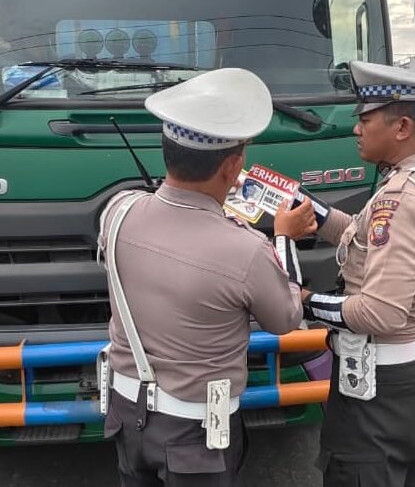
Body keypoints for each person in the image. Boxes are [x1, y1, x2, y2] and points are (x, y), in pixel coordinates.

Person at [96, 68, 317, 486]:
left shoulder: (118, 211)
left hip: (125, 411)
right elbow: (286, 319)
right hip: (195, 435)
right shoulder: (246, 249)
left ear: (167, 151)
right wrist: (284, 239)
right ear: (233, 167)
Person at [298, 60, 415, 486]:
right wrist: (314, 211)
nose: (356, 129)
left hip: (382, 383)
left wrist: (307, 302)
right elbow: (364, 236)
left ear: (402, 127)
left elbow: (381, 313)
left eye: (365, 119)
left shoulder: (402, 197)